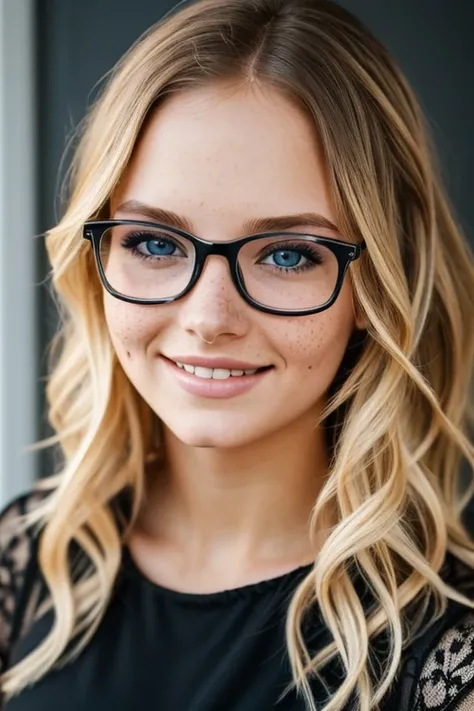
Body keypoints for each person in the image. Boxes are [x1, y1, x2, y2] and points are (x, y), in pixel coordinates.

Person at [1, 0, 474, 708]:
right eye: (155, 243)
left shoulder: (446, 652)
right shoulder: (27, 563)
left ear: (380, 283)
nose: (208, 318)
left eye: (288, 253)